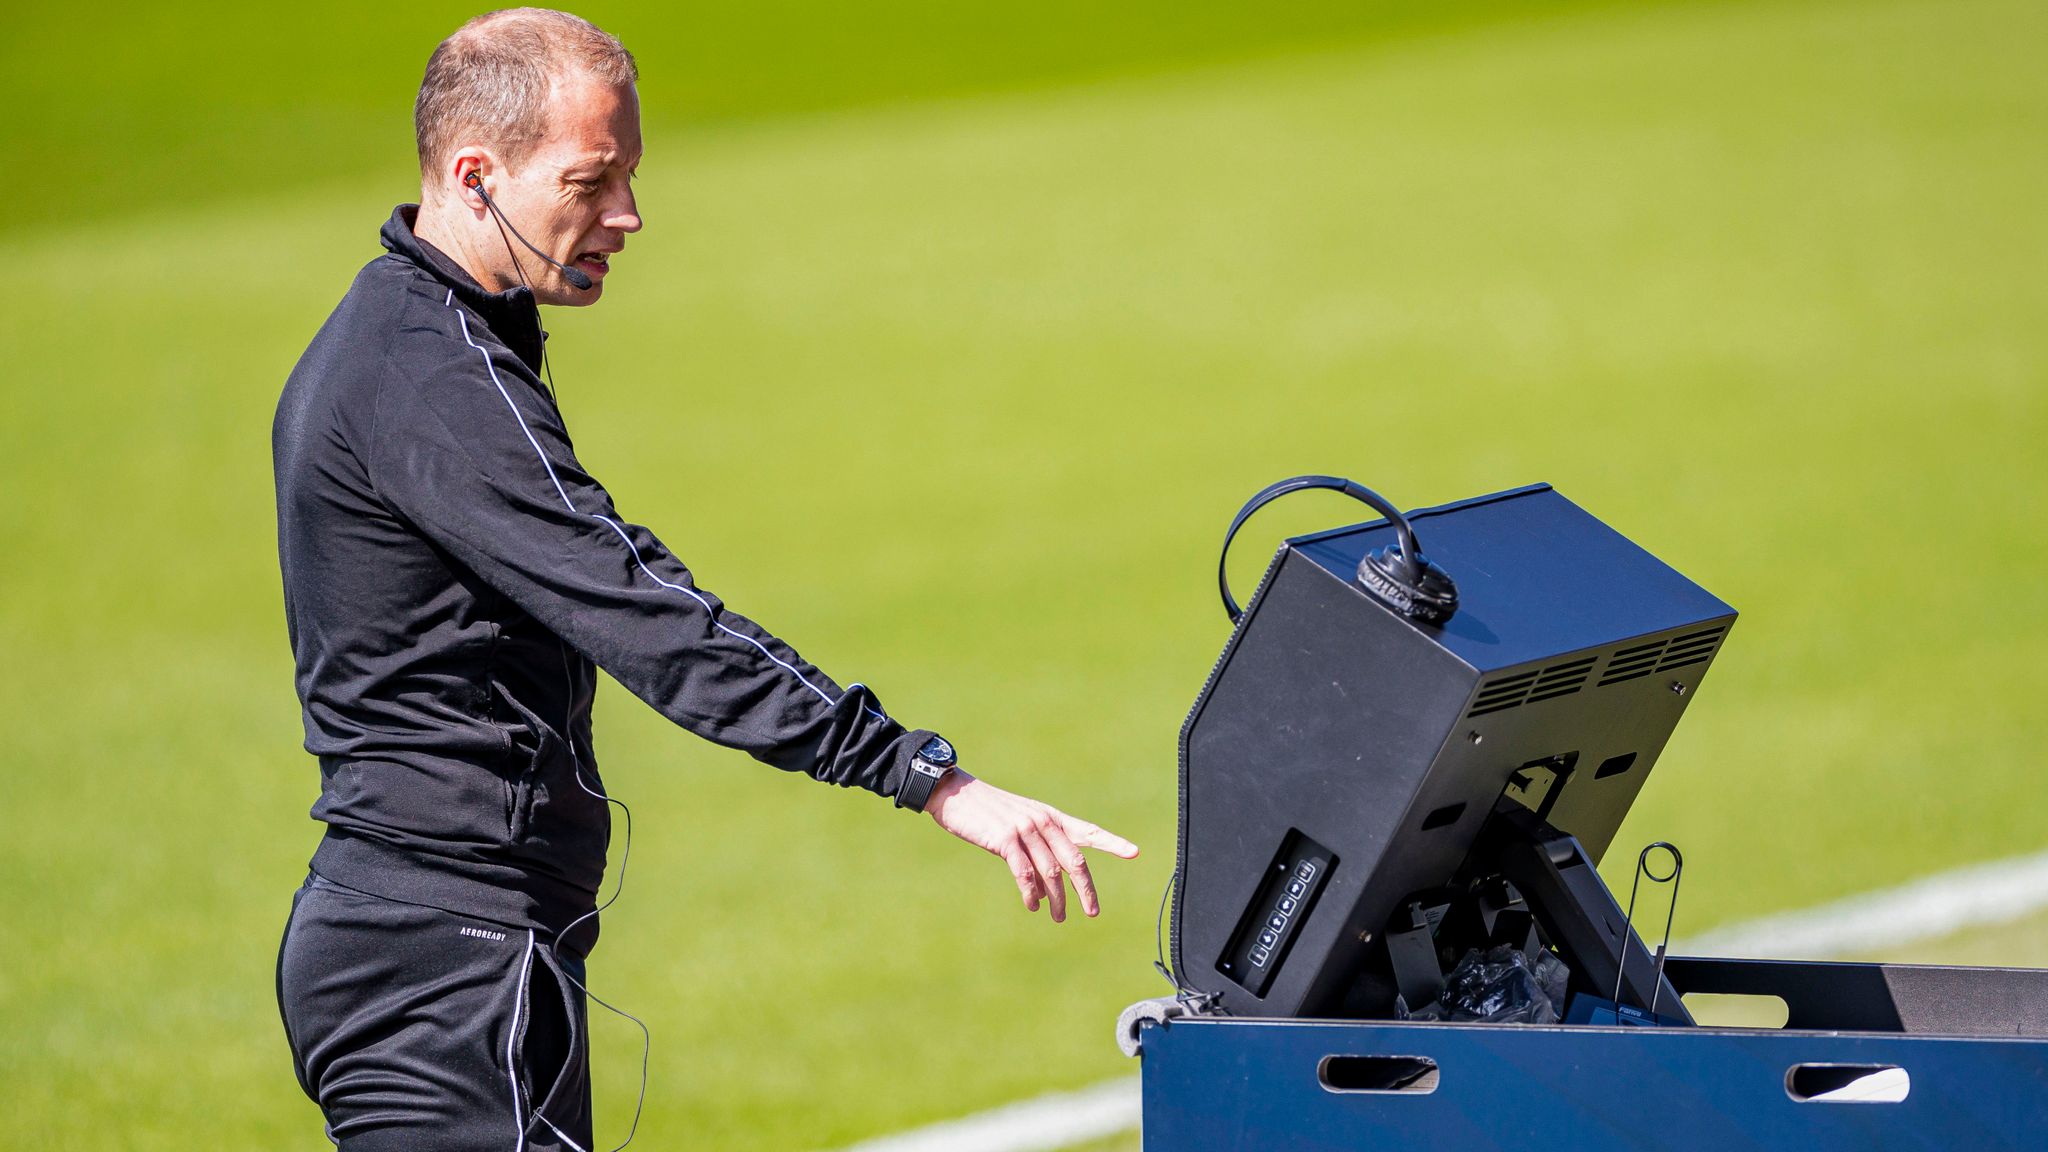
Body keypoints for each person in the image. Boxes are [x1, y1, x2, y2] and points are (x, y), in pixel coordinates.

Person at [271, 9, 1138, 1149]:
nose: (624, 216)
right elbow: (642, 609)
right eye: (590, 179)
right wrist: (925, 775)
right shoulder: (428, 377)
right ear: (474, 175)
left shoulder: (429, 338)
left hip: (442, 945)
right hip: (443, 967)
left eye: (629, 175)